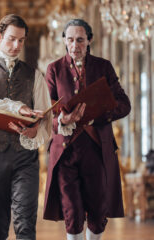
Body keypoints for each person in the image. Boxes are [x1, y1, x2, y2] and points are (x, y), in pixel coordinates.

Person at [43, 19, 131, 240]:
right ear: (64, 40)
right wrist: (62, 120)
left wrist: (96, 115)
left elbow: (124, 104)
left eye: (80, 40)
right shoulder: (53, 69)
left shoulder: (104, 67)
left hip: (97, 150)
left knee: (99, 210)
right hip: (65, 152)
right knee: (71, 210)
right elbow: (45, 113)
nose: (75, 46)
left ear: (89, 40)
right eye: (70, 40)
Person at [0, 14, 52, 240]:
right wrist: (18, 108)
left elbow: (45, 114)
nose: (17, 45)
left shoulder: (35, 76)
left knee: (26, 224)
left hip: (26, 157)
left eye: (22, 40)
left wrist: (36, 130)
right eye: (11, 39)